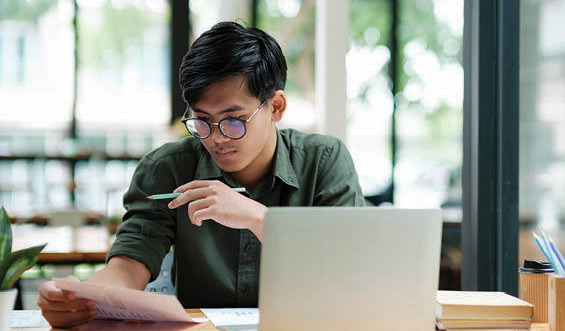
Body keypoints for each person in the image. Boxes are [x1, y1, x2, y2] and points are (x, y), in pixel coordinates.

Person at [37, 21, 364, 328]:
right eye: (202, 121)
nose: (216, 137)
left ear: (276, 107)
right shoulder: (168, 168)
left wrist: (259, 219)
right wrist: (78, 297)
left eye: (234, 120)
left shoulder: (323, 161)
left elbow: (349, 268)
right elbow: (127, 269)